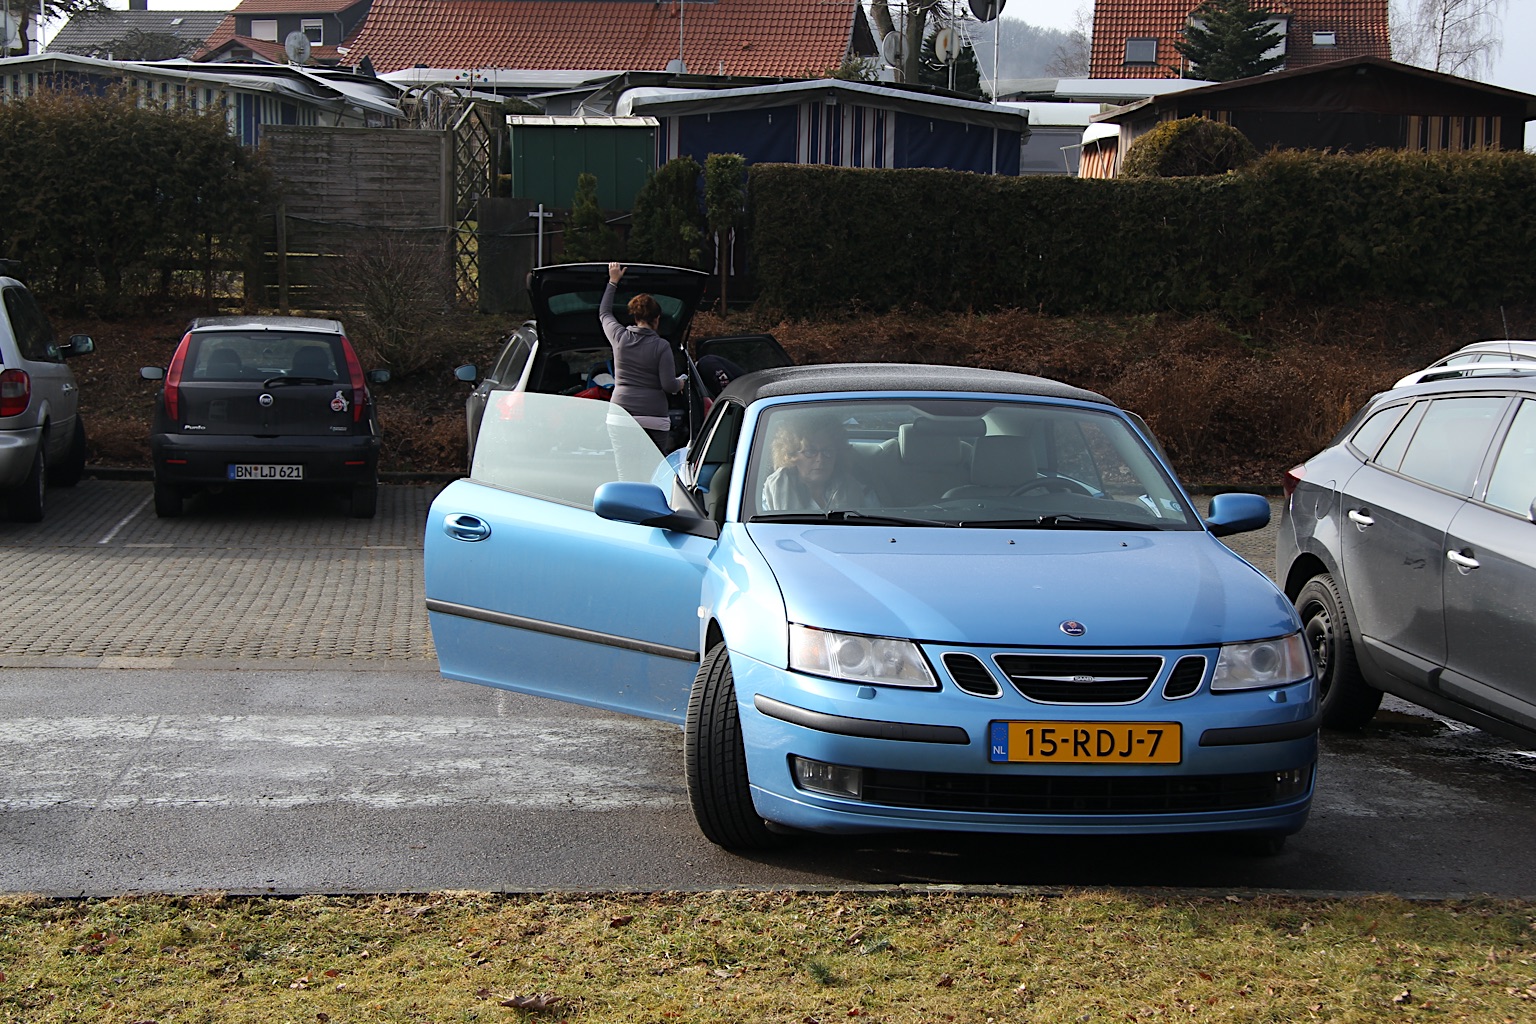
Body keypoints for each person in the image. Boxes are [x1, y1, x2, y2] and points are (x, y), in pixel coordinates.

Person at [601, 262, 687, 479]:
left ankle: (625, 500)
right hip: (654, 417)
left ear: (635, 317)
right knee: (653, 473)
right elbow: (668, 385)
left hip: (622, 415)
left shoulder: (619, 337)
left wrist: (613, 281)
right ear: (657, 319)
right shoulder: (661, 346)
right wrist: (681, 382)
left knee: (625, 473)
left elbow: (604, 313)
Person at [760, 412, 874, 513]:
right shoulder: (773, 489)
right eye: (810, 452)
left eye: (827, 451)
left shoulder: (858, 490)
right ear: (792, 455)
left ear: (837, 455)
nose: (820, 458)